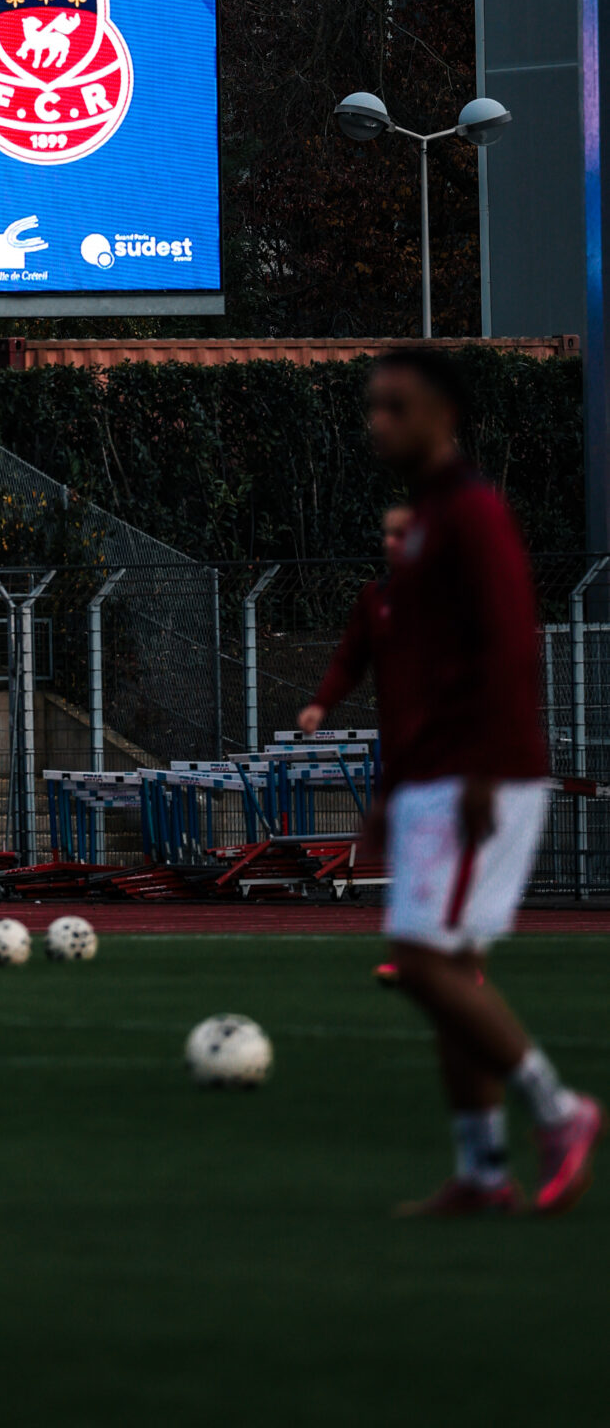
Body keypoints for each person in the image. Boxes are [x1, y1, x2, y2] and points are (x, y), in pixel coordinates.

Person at [299, 345, 599, 1216]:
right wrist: (387, 795)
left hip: (479, 775)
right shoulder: (425, 524)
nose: (377, 422)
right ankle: (482, 1171)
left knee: (423, 966)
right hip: (433, 774)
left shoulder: (470, 512)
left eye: (395, 406)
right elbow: (417, 681)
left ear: (443, 415)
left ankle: (560, 1112)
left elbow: (506, 645)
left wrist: (479, 767)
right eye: (374, 405)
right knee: (450, 975)